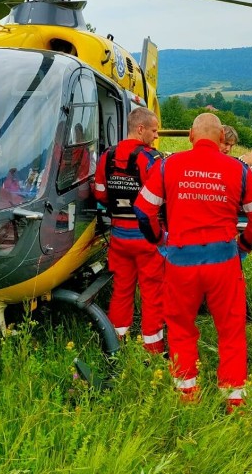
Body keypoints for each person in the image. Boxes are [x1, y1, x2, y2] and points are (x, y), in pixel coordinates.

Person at [134, 113, 252, 412]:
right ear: (222, 137)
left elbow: (143, 212)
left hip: (181, 261)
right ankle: (233, 399)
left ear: (191, 136)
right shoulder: (238, 169)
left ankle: (187, 394)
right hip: (223, 262)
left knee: (181, 327)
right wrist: (243, 247)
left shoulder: (168, 165)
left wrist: (160, 241)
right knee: (231, 330)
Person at [93, 108, 165, 353]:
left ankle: (117, 341)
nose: (156, 136)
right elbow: (160, 199)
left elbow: (100, 193)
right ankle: (152, 348)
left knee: (122, 290)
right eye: (154, 130)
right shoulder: (151, 159)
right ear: (141, 128)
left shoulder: (107, 156)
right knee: (152, 292)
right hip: (146, 238)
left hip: (119, 237)